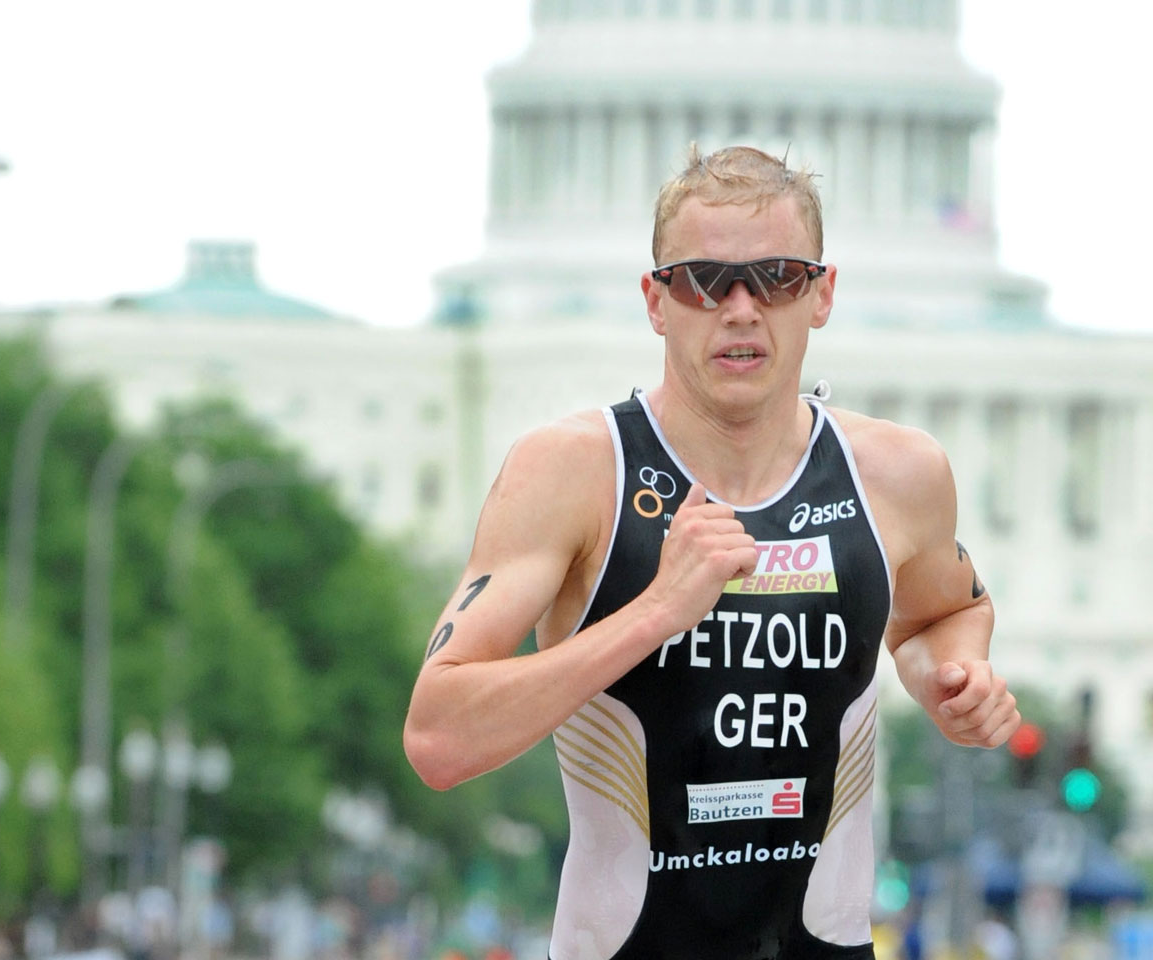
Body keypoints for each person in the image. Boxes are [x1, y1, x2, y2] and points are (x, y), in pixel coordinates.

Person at [403, 144, 1021, 959]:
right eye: (702, 280)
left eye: (776, 277)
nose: (739, 308)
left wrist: (954, 678)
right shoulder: (573, 471)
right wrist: (655, 613)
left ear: (822, 294)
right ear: (656, 302)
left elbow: (948, 611)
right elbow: (439, 739)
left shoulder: (897, 473)